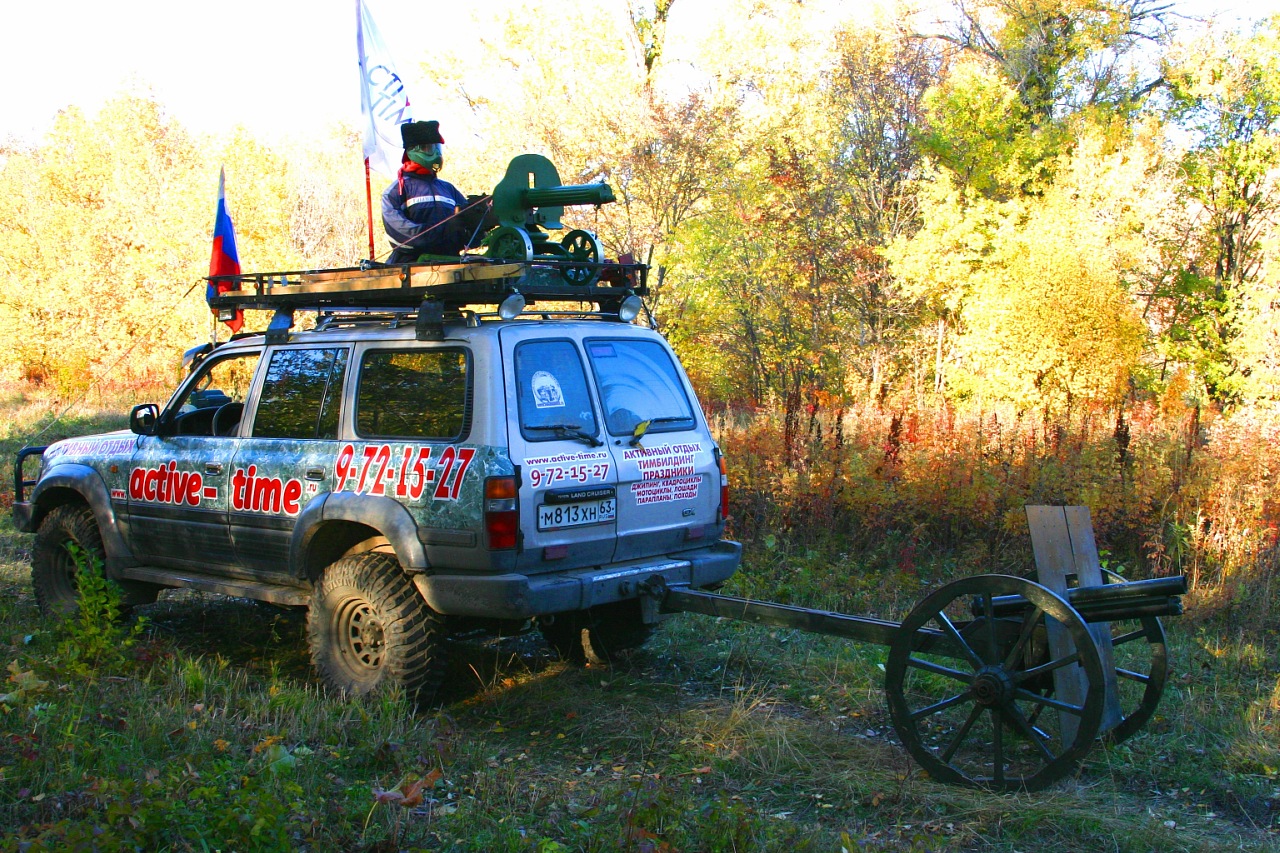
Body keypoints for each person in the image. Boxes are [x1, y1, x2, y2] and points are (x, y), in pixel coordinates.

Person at [382, 120, 470, 263]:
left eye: (437, 148)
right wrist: (444, 231)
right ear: (412, 150)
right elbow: (398, 233)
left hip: (451, 264)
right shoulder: (397, 191)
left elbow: (469, 229)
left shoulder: (448, 189)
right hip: (410, 269)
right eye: (429, 148)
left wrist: (480, 224)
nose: (436, 153)